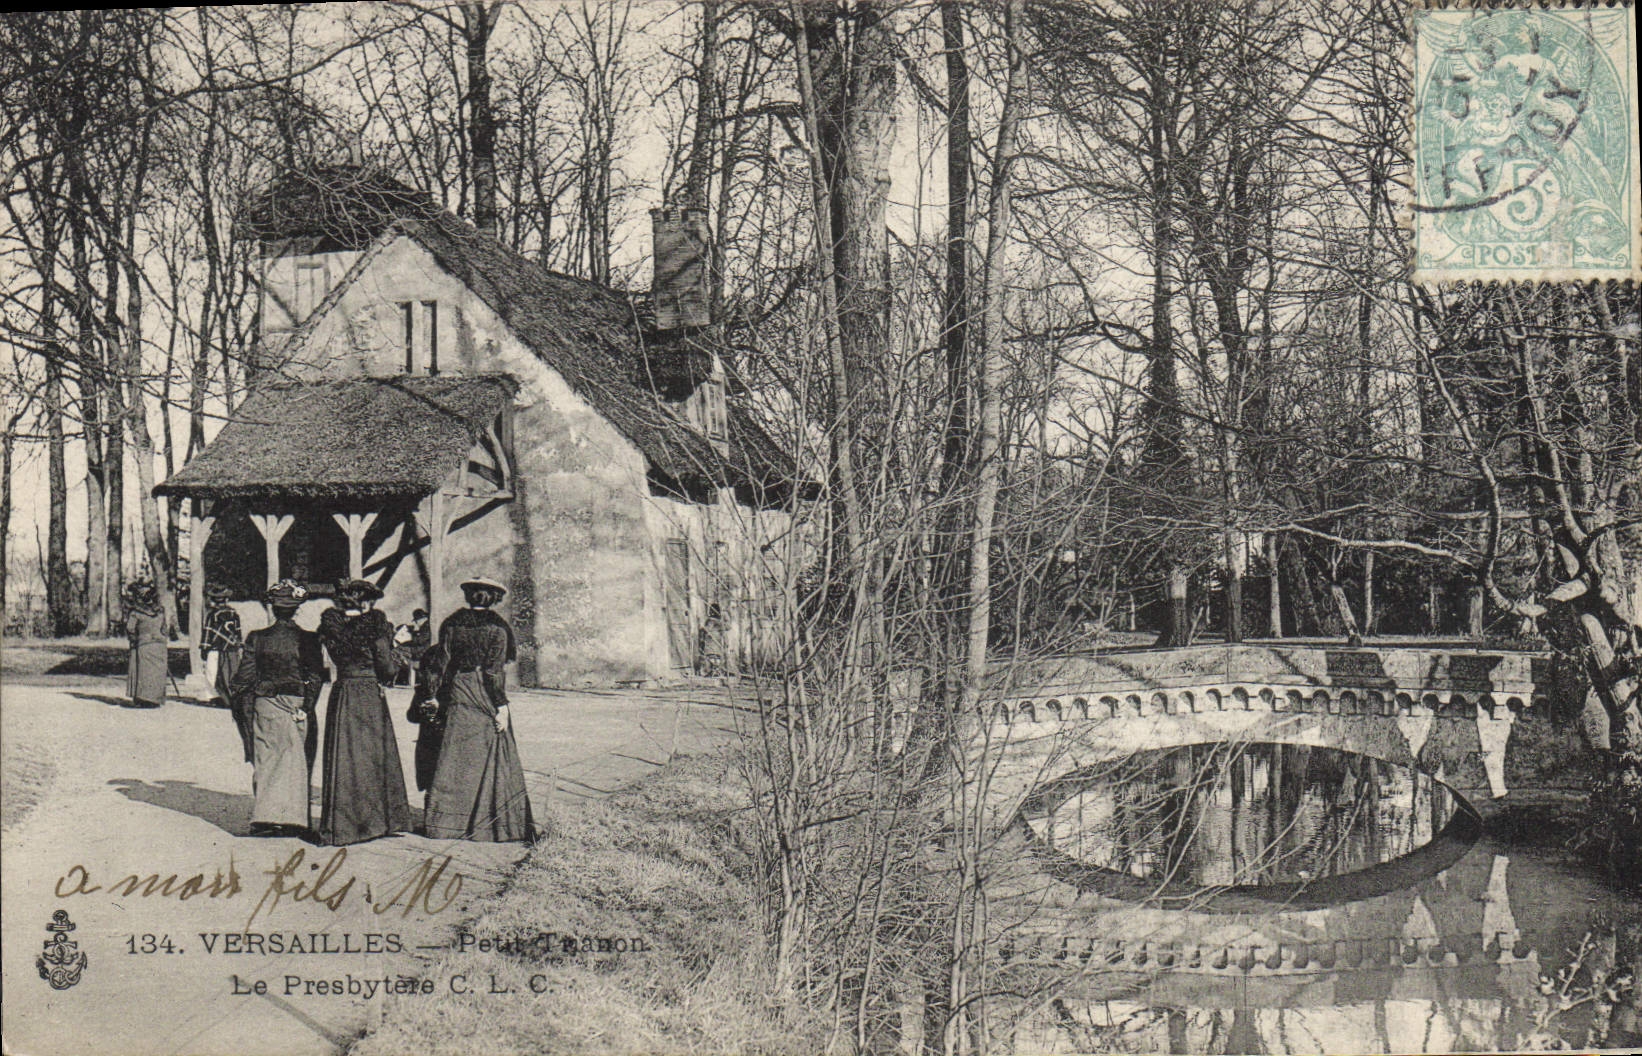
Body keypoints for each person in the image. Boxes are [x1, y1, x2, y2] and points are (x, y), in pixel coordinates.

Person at [424, 577, 534, 842]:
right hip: (483, 691)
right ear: (494, 599)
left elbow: (440, 664)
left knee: (455, 755)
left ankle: (446, 824)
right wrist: (502, 706)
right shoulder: (498, 628)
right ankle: (491, 825)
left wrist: (433, 695)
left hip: (458, 689)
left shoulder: (451, 624)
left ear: (468, 597)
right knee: (489, 750)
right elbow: (493, 672)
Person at [316, 578, 412, 845]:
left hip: (343, 691)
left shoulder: (331, 628)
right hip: (368, 693)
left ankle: (343, 826)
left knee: (344, 755)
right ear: (366, 602)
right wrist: (397, 647)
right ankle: (374, 822)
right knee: (371, 755)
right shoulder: (375, 627)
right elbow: (387, 669)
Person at [230, 580, 327, 836]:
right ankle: (294, 819)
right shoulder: (309, 639)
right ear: (297, 609)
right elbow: (316, 676)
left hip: (266, 704)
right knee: (297, 761)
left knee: (267, 758)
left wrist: (241, 701)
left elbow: (243, 678)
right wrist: (307, 706)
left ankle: (265, 817)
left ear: (272, 609)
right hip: (297, 704)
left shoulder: (257, 638)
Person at [201, 585, 247, 748]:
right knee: (231, 671)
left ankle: (215, 697)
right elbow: (238, 632)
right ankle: (230, 697)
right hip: (231, 648)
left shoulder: (212, 615)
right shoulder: (234, 614)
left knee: (212, 673)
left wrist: (204, 647)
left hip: (216, 648)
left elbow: (207, 632)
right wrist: (238, 644)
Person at [406, 642, 449, 798]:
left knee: (433, 782)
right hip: (436, 742)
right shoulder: (427, 690)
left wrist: (434, 707)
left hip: (433, 743)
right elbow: (412, 715)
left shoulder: (428, 690)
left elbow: (411, 716)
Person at [123, 581, 167, 708]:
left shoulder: (136, 612)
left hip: (144, 644)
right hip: (160, 645)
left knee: (144, 672)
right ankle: (155, 699)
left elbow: (130, 628)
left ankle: (143, 698)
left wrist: (133, 639)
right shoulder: (160, 611)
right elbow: (165, 629)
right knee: (157, 672)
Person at [392, 609, 432, 687]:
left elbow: (420, 640)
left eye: (417, 621)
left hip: (421, 651)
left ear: (423, 619)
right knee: (399, 651)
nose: (416, 623)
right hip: (419, 650)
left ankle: (394, 677)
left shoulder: (427, 627)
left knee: (395, 652)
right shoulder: (425, 626)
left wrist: (409, 637)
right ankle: (399, 674)